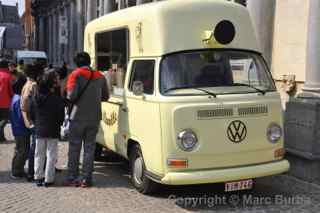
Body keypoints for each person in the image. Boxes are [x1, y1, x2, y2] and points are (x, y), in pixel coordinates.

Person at [65, 52, 109, 187]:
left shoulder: (75, 75)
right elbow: (105, 96)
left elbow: (71, 96)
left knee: (74, 148)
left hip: (77, 117)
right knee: (89, 148)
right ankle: (86, 179)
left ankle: (72, 177)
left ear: (77, 63)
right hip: (94, 117)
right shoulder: (100, 76)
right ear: (89, 62)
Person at [29, 71, 64, 187]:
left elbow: (31, 114)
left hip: (39, 129)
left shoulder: (35, 98)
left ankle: (38, 177)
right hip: (53, 130)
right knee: (51, 155)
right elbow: (61, 116)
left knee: (38, 154)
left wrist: (36, 123)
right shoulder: (56, 99)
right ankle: (49, 179)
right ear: (51, 86)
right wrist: (59, 124)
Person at [20, 64, 42, 181]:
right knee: (35, 147)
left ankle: (32, 171)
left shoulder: (27, 84)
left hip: (30, 120)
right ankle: (31, 172)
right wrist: (29, 121)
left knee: (34, 146)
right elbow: (26, 105)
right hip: (33, 120)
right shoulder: (33, 85)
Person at [10, 73, 30, 179]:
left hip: (18, 129)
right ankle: (17, 171)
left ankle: (17, 168)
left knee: (19, 149)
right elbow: (22, 117)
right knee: (22, 150)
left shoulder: (16, 97)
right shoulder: (19, 100)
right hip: (21, 130)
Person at [0, 59, 14, 141]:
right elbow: (11, 90)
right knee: (5, 119)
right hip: (5, 101)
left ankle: (1, 137)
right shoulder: (8, 76)